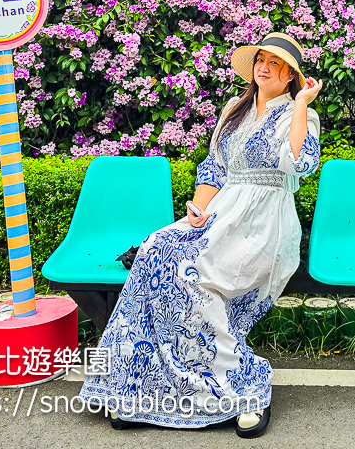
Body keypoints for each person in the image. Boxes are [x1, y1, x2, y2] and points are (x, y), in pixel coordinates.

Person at [78, 32, 323, 438]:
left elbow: (300, 163)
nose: (264, 67)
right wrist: (197, 207)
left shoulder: (301, 115)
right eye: (261, 59)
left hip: (263, 224)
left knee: (193, 275)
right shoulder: (234, 109)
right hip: (219, 214)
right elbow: (214, 168)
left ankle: (245, 388)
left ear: (291, 76)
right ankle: (139, 386)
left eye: (276, 63)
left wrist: (301, 105)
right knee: (154, 252)